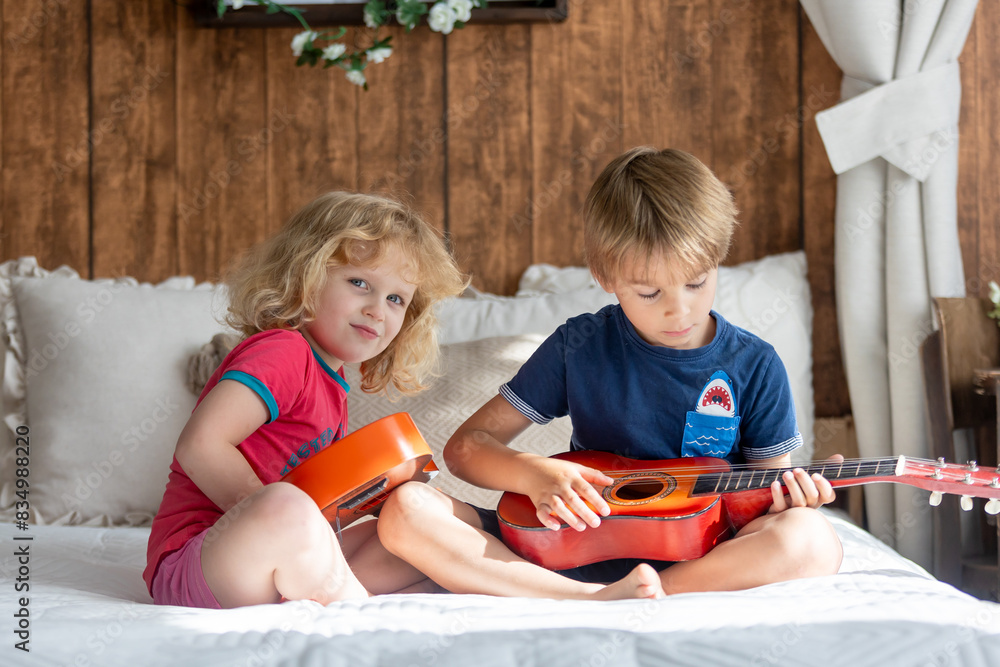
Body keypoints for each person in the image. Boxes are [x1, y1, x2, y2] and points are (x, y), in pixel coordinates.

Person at [377, 146, 844, 599]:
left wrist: (790, 498)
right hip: (563, 545)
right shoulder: (579, 345)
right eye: (649, 293)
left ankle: (648, 593)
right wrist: (533, 475)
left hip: (698, 558)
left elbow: (763, 495)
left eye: (697, 282)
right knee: (406, 509)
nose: (679, 310)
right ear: (606, 278)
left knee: (810, 538)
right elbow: (465, 448)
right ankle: (582, 598)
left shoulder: (755, 364)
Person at [143, 191, 467, 609]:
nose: (377, 310)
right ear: (304, 275)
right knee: (287, 506)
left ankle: (372, 590)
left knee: (405, 530)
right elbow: (200, 445)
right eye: (359, 283)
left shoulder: (334, 385)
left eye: (395, 299)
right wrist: (288, 518)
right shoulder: (284, 351)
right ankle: (358, 608)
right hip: (199, 560)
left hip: (270, 559)